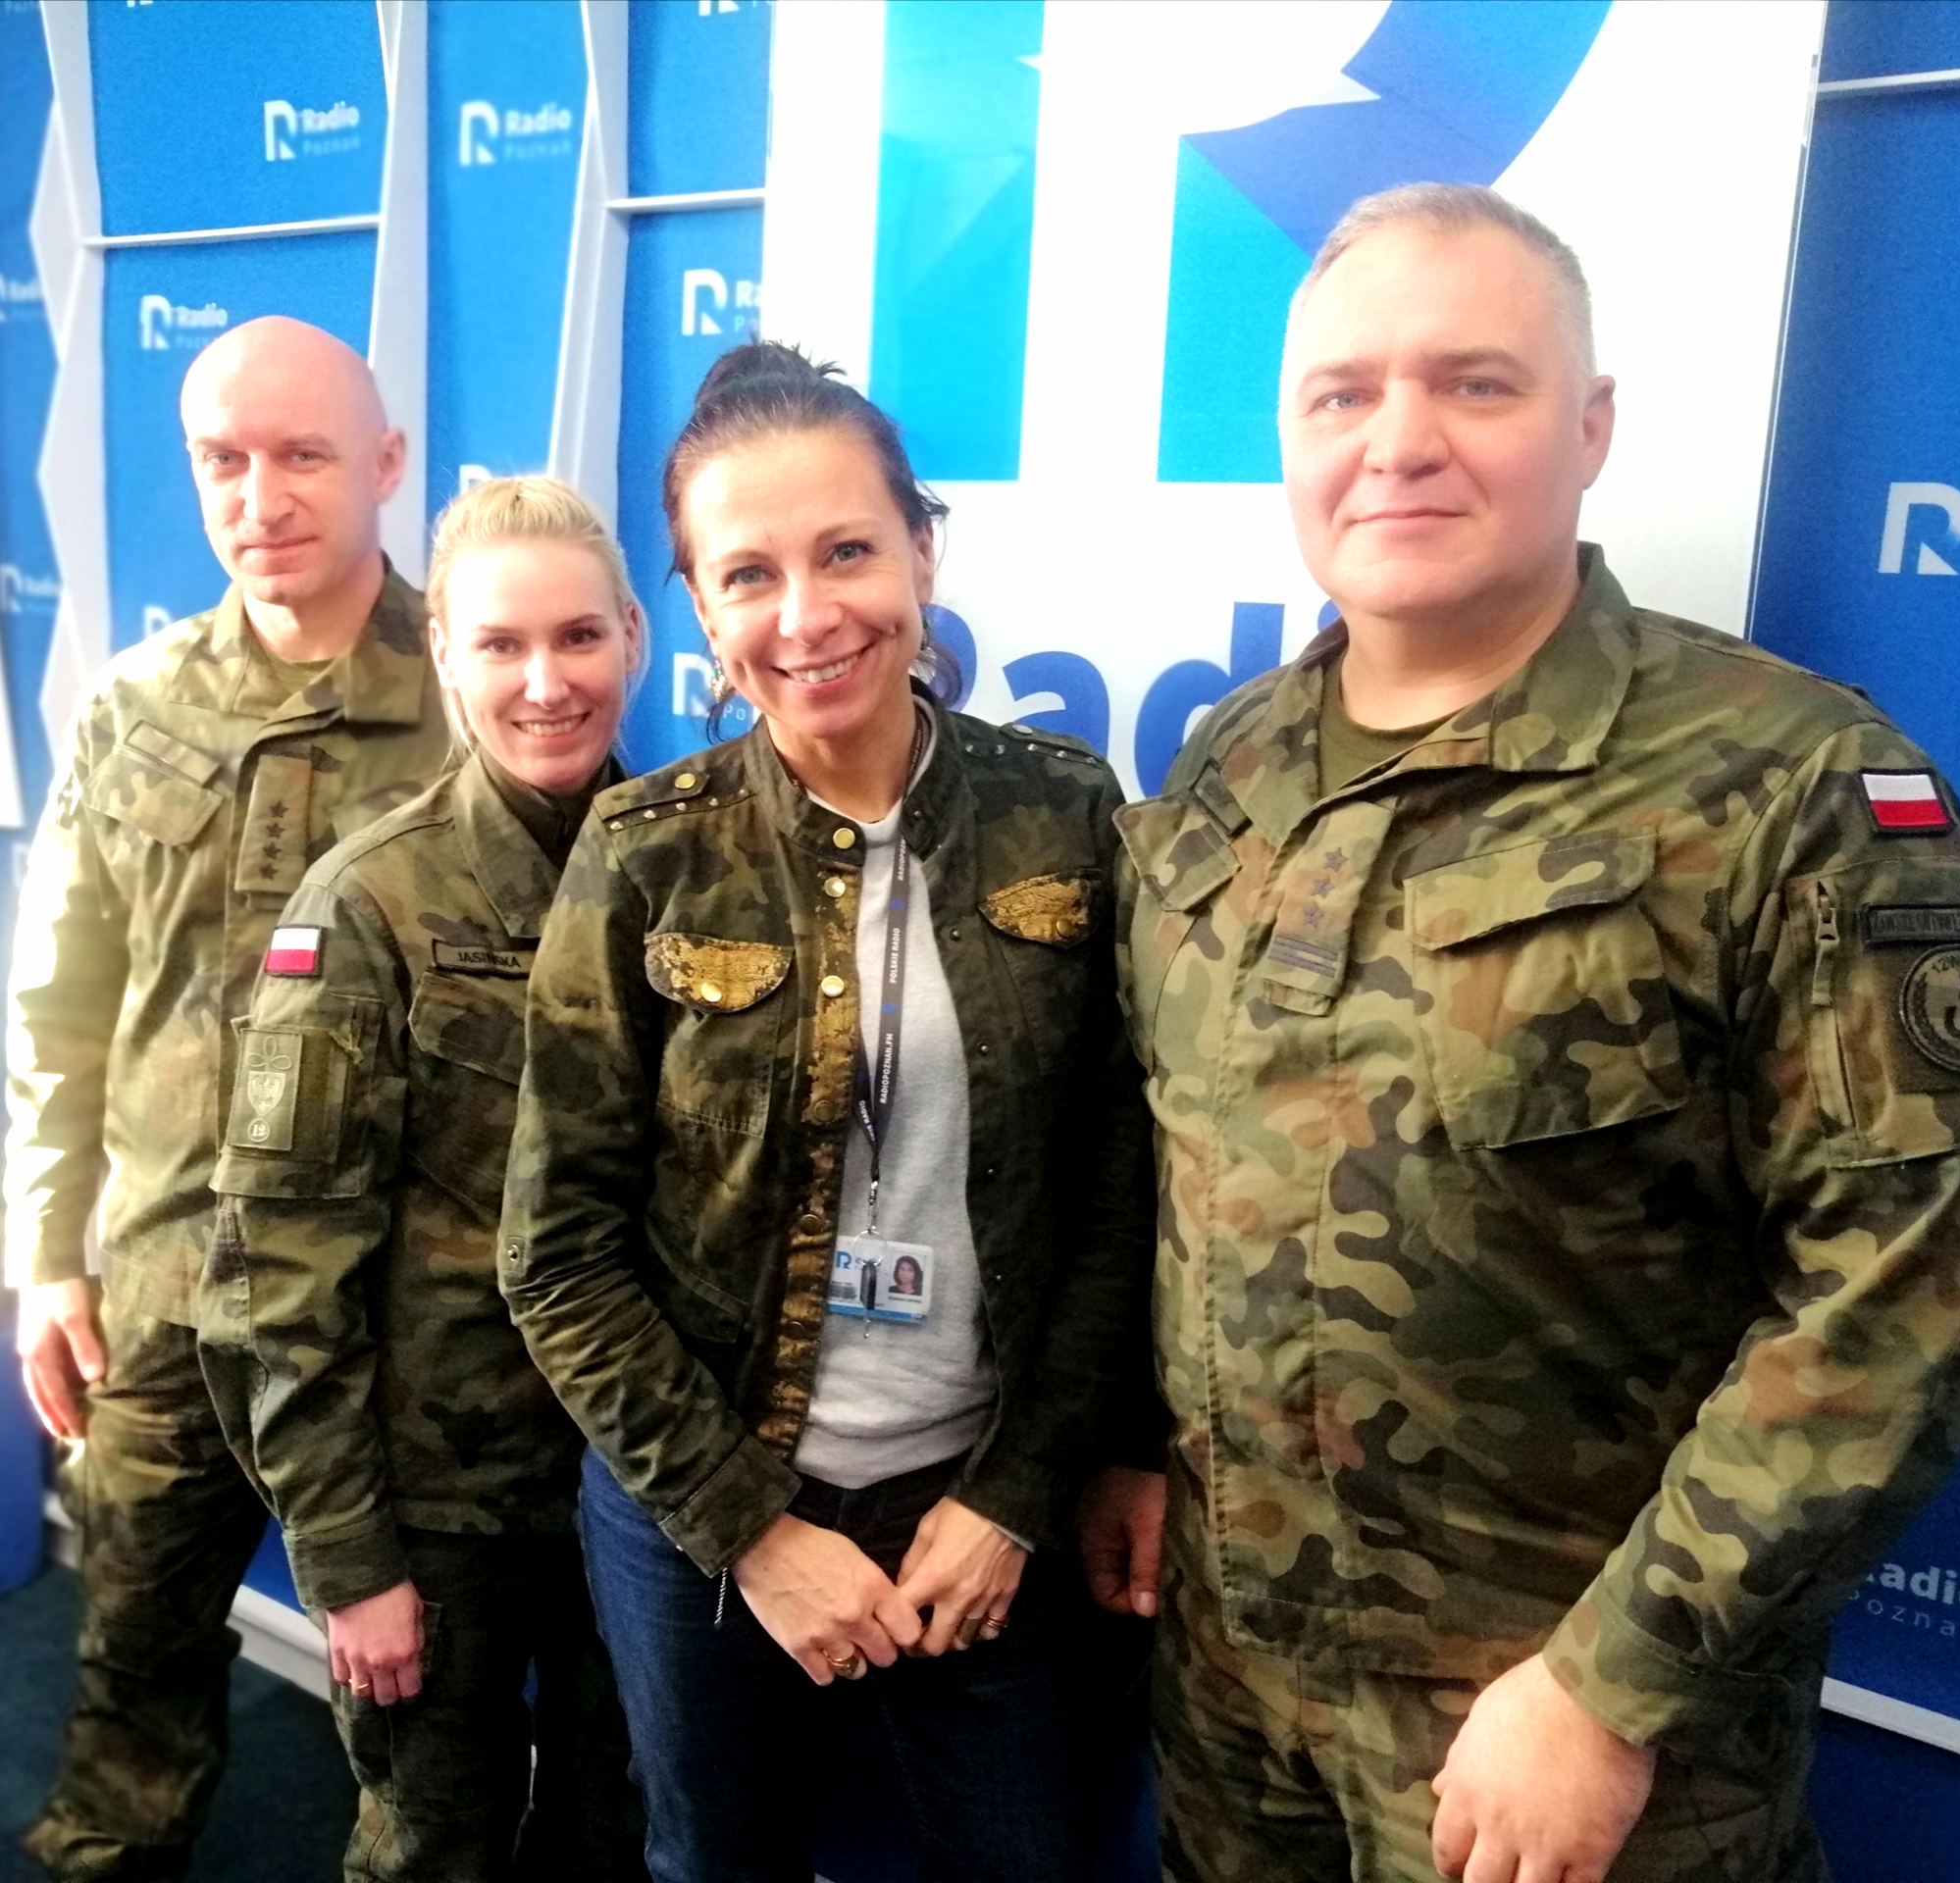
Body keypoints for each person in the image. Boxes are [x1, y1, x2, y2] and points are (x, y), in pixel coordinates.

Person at [1088, 182, 1960, 1883]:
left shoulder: (1792, 784)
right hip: (1231, 1686)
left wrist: (1612, 1690)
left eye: (1474, 382)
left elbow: (1917, 1286)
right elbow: (1179, 1156)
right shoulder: (1232, 761)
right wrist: (1133, 1441)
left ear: (1592, 425)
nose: (1398, 441)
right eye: (1342, 394)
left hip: (1563, 1735)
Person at [495, 340, 1154, 1883]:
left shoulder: (1067, 812)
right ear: (697, 608)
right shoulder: (644, 853)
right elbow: (556, 1250)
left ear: (923, 548)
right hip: (698, 1508)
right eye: (748, 575)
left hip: (978, 1494)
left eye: (847, 550)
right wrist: (750, 1529)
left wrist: (1017, 1495)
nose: (805, 617)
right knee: (711, 1862)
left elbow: (1117, 1192)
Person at [6, 316, 453, 1879]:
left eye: (303, 454)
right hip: (160, 1291)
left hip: (394, 1323)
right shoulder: (134, 702)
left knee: (416, 1721)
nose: (260, 498)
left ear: (386, 463)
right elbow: (60, 1003)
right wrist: (45, 1252)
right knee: (127, 1670)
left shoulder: (484, 699)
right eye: (224, 460)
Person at [203, 478, 648, 1879]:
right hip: (443, 1512)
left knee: (621, 1836)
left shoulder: (692, 871)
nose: (546, 683)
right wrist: (349, 1561)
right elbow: (278, 1273)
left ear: (634, 638)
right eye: (502, 644)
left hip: (644, 1488)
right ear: (445, 652)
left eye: (578, 637)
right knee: (435, 1847)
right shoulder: (366, 907)